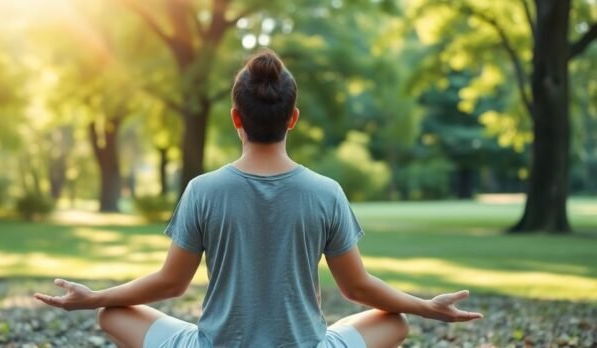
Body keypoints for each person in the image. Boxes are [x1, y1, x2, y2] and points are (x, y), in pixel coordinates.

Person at [34, 49, 482, 348]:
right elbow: (356, 289)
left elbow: (171, 284)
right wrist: (427, 307)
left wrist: (93, 298)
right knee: (394, 321)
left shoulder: (202, 190)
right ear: (293, 118)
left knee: (112, 316)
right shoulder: (327, 192)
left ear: (235, 118)